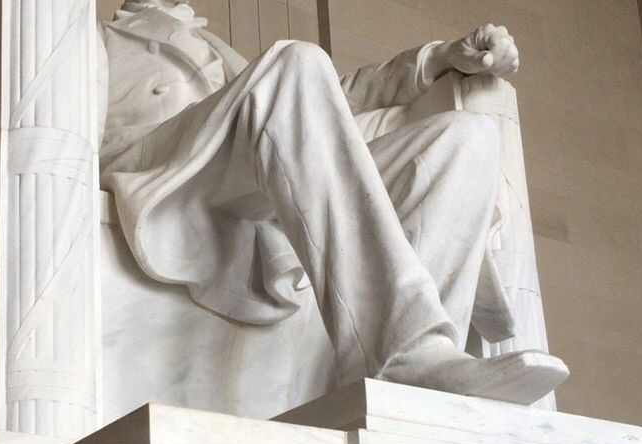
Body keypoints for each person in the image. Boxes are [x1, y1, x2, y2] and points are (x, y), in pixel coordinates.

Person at [99, 0, 568, 405]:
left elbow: (325, 101)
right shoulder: (95, 36)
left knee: (465, 138)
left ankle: (427, 374)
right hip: (156, 170)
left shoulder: (220, 49)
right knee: (296, 61)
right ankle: (409, 351)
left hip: (240, 176)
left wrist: (440, 59)